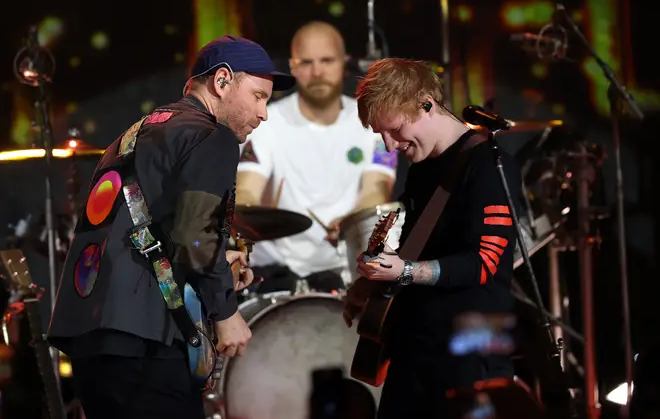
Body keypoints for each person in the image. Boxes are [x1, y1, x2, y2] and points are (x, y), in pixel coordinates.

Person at [47, 35, 296, 419]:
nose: (263, 114)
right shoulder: (213, 136)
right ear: (223, 80)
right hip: (146, 343)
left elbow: (151, 228)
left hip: (91, 341)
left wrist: (216, 261)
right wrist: (226, 313)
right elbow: (197, 237)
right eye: (259, 96)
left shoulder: (134, 134)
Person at [345, 58, 521, 418]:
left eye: (394, 130)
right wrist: (374, 285)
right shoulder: (423, 169)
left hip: (472, 351)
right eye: (381, 135)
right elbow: (416, 247)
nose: (390, 146)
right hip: (417, 349)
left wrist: (405, 271)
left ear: (425, 103)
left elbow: (485, 264)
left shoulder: (488, 165)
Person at [235, 21, 398, 293]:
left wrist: (350, 221)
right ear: (292, 66)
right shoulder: (266, 123)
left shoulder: (374, 124)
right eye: (307, 62)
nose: (318, 71)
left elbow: (377, 188)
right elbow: (247, 191)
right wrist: (248, 214)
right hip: (276, 278)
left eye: (326, 60)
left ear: (344, 63)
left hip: (345, 273)